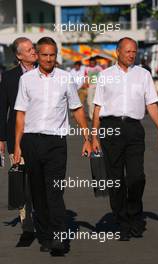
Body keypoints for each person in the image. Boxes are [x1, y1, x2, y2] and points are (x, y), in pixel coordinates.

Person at [13, 37, 91, 256]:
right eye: (44, 54)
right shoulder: (26, 80)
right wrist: (17, 145)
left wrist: (87, 137)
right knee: (38, 194)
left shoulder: (66, 78)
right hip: (31, 141)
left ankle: (58, 238)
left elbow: (76, 109)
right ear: (37, 55)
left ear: (56, 56)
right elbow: (20, 113)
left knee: (54, 192)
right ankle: (45, 236)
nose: (48, 59)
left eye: (52, 55)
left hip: (56, 143)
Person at [92, 37, 158, 241]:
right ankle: (122, 221)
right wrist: (94, 136)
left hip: (134, 129)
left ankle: (135, 213)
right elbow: (97, 107)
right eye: (127, 51)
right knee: (115, 179)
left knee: (136, 177)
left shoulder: (143, 75)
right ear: (118, 52)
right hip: (110, 128)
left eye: (134, 51)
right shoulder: (105, 75)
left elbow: (152, 104)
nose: (131, 55)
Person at [0, 37, 37, 246]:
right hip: (17, 136)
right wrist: (1, 139)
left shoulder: (46, 72)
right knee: (21, 178)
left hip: (41, 134)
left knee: (39, 178)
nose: (34, 51)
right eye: (30, 49)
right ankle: (27, 220)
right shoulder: (9, 77)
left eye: (34, 48)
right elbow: (2, 108)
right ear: (19, 55)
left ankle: (40, 213)